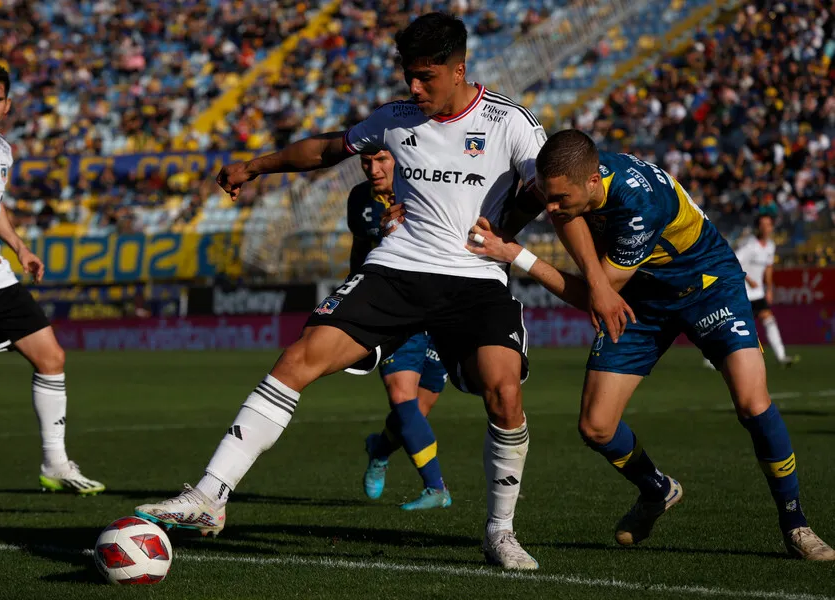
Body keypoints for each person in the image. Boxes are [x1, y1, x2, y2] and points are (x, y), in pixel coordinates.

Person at [135, 13, 630, 570]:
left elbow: (557, 201)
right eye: (408, 76)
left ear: (459, 70)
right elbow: (326, 151)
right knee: (298, 359)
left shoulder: (510, 123)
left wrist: (595, 284)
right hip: (398, 269)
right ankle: (209, 497)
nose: (414, 88)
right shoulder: (394, 119)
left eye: (425, 77)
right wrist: (255, 166)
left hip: (474, 277)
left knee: (504, 392)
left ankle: (500, 531)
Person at [465, 129, 834, 561]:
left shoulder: (638, 205)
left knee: (753, 404)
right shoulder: (570, 178)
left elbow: (595, 298)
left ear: (592, 182)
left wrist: (516, 255)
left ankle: (795, 523)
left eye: (559, 198)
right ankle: (657, 489)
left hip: (706, 286)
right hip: (643, 298)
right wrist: (496, 231)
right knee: (596, 427)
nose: (551, 207)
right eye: (547, 195)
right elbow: (543, 212)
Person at [0, 62, 104, 522]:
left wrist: (20, 247)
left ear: (8, 105)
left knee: (52, 358)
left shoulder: (4, 150)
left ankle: (55, 463)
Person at [347, 149, 451, 511]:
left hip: (440, 309)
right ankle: (436, 487)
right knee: (402, 396)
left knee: (416, 410)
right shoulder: (359, 198)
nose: (373, 169)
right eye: (366, 162)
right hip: (393, 309)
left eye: (382, 160)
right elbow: (360, 248)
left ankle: (379, 449)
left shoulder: (431, 187)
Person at [733, 215, 797, 367]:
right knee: (732, 326)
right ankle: (712, 360)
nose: (765, 228)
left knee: (769, 320)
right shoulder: (750, 245)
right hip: (742, 292)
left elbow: (768, 268)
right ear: (758, 227)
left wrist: (769, 289)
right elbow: (734, 262)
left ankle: (781, 356)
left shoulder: (770, 246)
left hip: (758, 293)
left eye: (768, 224)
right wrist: (749, 279)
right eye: (762, 224)